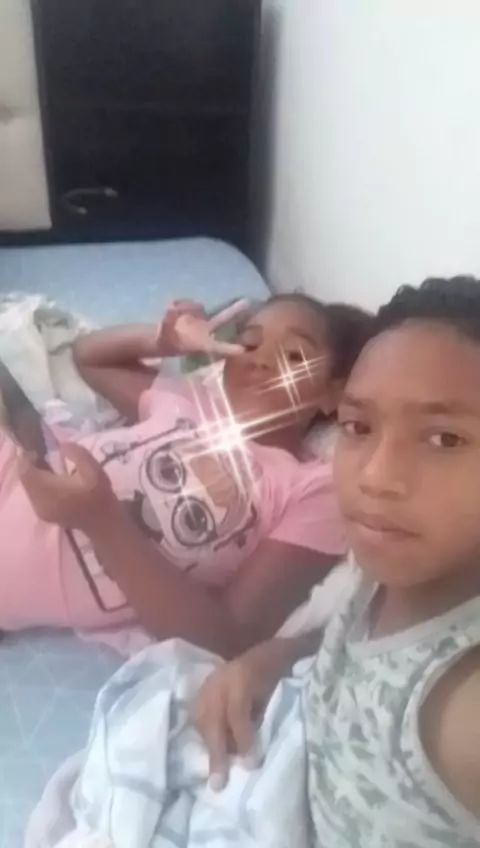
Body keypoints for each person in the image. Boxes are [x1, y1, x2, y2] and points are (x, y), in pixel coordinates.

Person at [194, 277, 480, 844]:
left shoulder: (460, 708)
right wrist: (273, 658)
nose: (375, 476)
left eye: (445, 439)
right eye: (358, 427)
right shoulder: (389, 571)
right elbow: (365, 646)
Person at [1, 294, 371, 656]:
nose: (260, 360)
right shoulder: (191, 400)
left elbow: (230, 636)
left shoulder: (311, 489)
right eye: (249, 343)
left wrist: (102, 521)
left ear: (332, 396)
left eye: (294, 356)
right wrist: (161, 342)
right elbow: (88, 357)